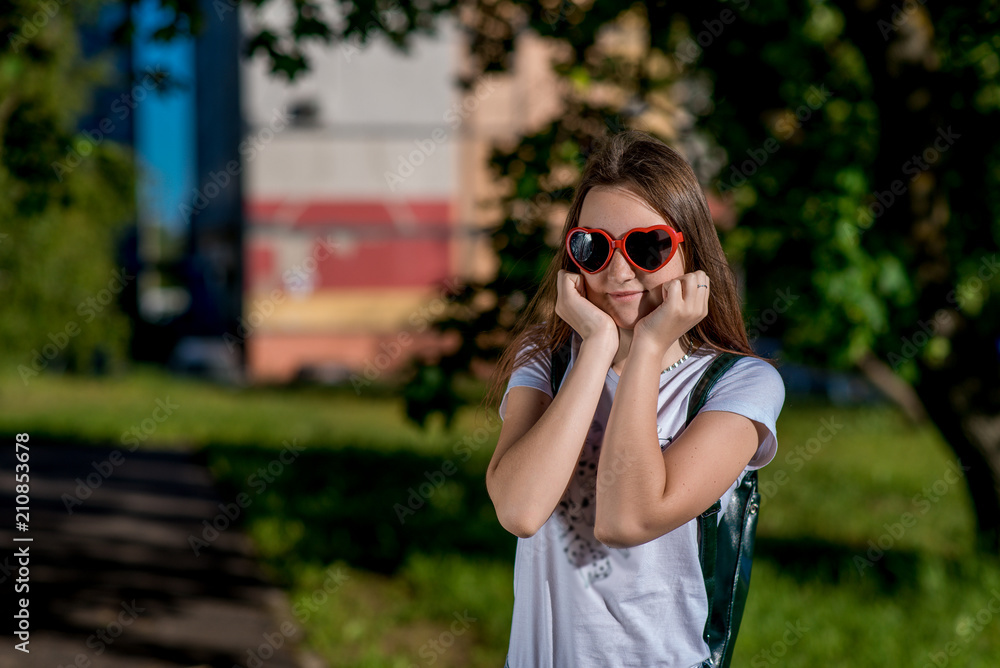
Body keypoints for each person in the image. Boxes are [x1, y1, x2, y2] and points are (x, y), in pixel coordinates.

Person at [484, 129, 786, 668]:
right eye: (592, 246)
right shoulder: (546, 360)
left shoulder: (739, 384)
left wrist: (645, 351)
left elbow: (627, 521)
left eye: (647, 246)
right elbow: (520, 509)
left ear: (686, 248)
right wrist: (598, 348)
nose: (618, 271)